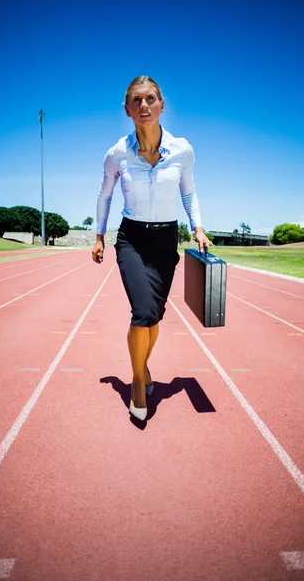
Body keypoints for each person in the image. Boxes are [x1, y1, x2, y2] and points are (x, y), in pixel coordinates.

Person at [92, 75, 210, 422]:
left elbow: (189, 193)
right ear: (127, 109)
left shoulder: (182, 151)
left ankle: (142, 371)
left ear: (161, 105)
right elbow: (105, 196)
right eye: (136, 100)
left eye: (151, 99)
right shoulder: (117, 153)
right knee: (142, 311)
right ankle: (136, 382)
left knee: (154, 316)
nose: (144, 105)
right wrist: (99, 236)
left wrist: (198, 229)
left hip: (164, 241)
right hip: (132, 239)